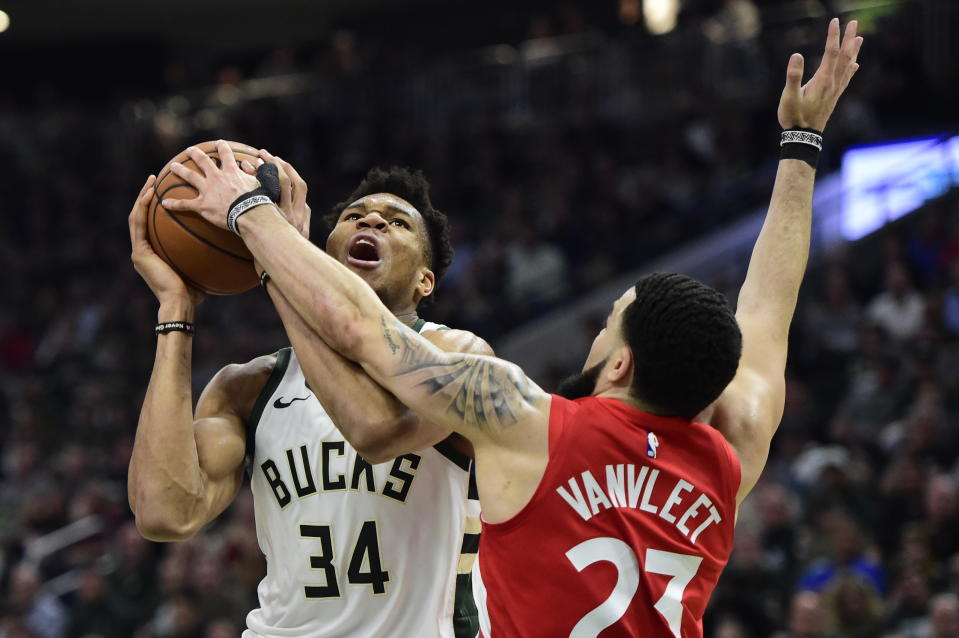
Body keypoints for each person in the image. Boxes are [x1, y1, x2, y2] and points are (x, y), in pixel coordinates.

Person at [165, 18, 862, 637]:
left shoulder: (527, 422)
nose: (596, 332)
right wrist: (798, 148)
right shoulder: (729, 449)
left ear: (618, 366)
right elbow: (768, 311)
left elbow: (358, 328)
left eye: (608, 325)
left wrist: (253, 218)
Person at [127, 166, 491, 637]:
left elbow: (378, 429)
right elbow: (163, 513)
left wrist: (270, 258)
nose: (372, 222)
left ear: (426, 282)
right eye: (356, 215)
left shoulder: (461, 356)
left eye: (397, 223)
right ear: (322, 254)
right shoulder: (249, 386)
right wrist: (175, 310)